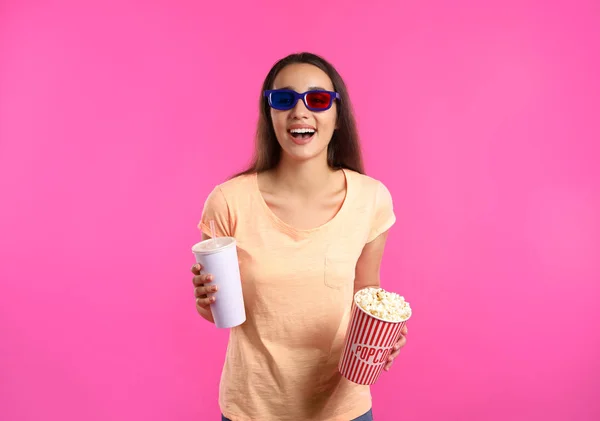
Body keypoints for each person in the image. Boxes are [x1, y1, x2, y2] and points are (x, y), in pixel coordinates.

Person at [191, 52, 408, 421]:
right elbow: (220, 311)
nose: (300, 112)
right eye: (284, 99)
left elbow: (367, 292)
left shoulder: (371, 198)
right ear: (270, 113)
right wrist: (205, 301)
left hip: (343, 409)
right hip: (253, 408)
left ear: (337, 116)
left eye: (318, 99)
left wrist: (385, 334)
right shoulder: (228, 201)